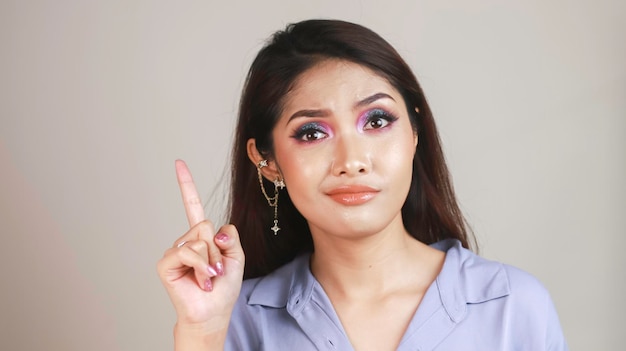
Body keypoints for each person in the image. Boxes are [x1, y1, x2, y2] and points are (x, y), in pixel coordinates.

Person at [157, 19, 568, 350]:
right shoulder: (234, 319)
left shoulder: (514, 306)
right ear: (267, 162)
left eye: (376, 121)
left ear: (414, 133)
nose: (351, 162)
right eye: (312, 132)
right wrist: (202, 332)